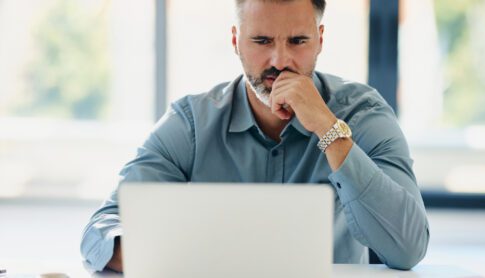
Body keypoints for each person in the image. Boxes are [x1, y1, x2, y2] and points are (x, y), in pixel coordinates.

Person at [80, 0, 429, 272]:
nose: (280, 60)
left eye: (298, 41)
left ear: (320, 40)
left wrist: (328, 128)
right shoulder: (190, 124)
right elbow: (101, 231)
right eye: (261, 40)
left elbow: (408, 247)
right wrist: (193, 263)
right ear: (235, 40)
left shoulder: (363, 114)